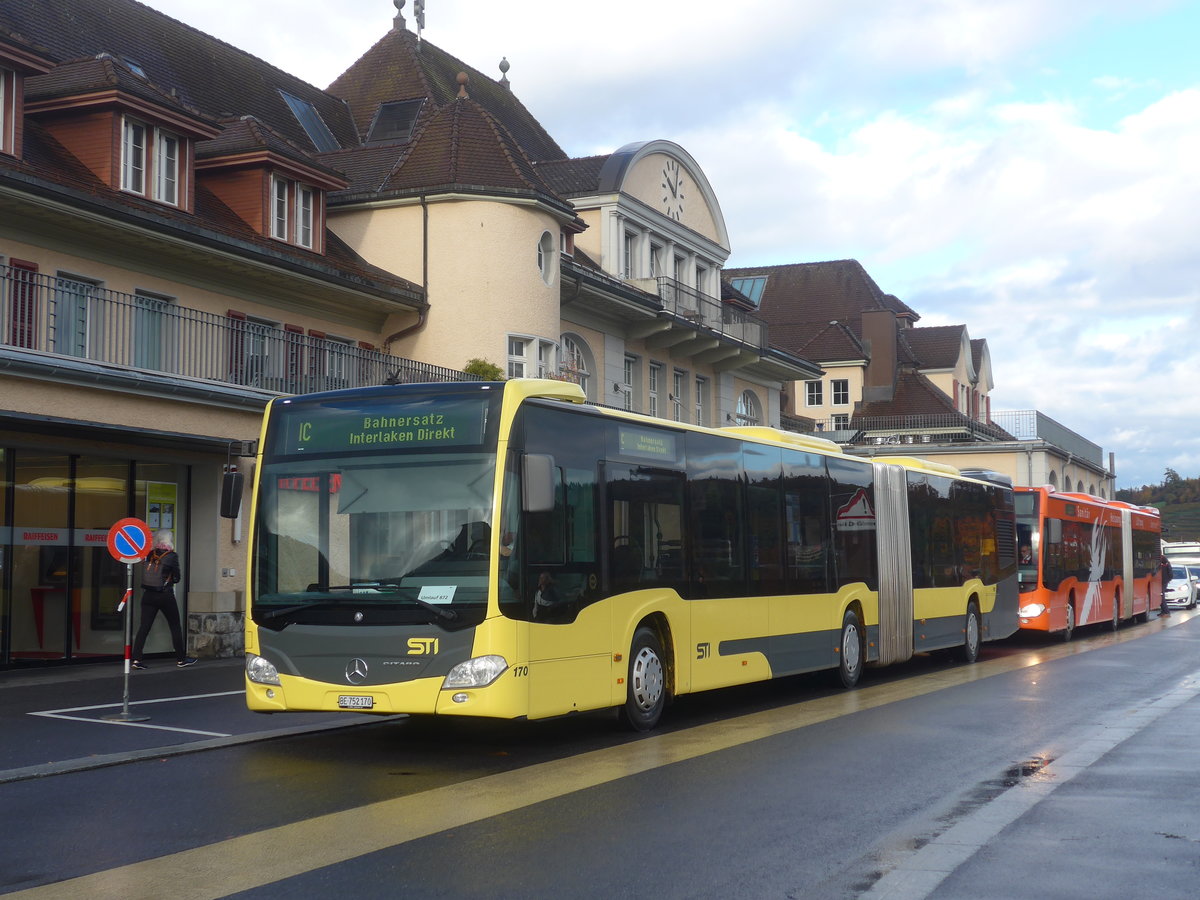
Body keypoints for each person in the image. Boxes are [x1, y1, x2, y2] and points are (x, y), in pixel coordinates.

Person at [131, 530, 197, 668]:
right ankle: (181, 659)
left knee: (144, 627)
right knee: (174, 626)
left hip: (148, 595)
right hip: (165, 595)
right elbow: (177, 578)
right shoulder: (172, 556)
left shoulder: (150, 554)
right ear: (169, 540)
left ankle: (137, 660)